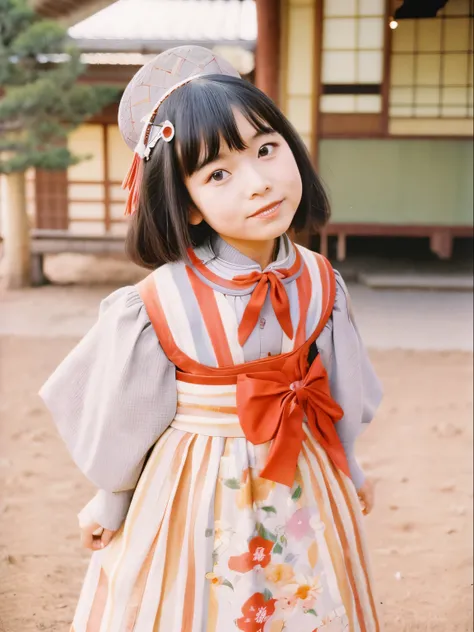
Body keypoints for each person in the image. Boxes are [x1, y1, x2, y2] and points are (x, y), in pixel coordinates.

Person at [40, 45, 383, 632]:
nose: (258, 184)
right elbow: (127, 413)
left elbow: (338, 388)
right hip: (195, 484)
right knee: (195, 602)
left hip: (300, 474)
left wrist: (347, 462)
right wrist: (112, 496)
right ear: (189, 204)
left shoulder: (321, 282)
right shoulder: (157, 302)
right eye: (218, 173)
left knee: (301, 598)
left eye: (266, 150)